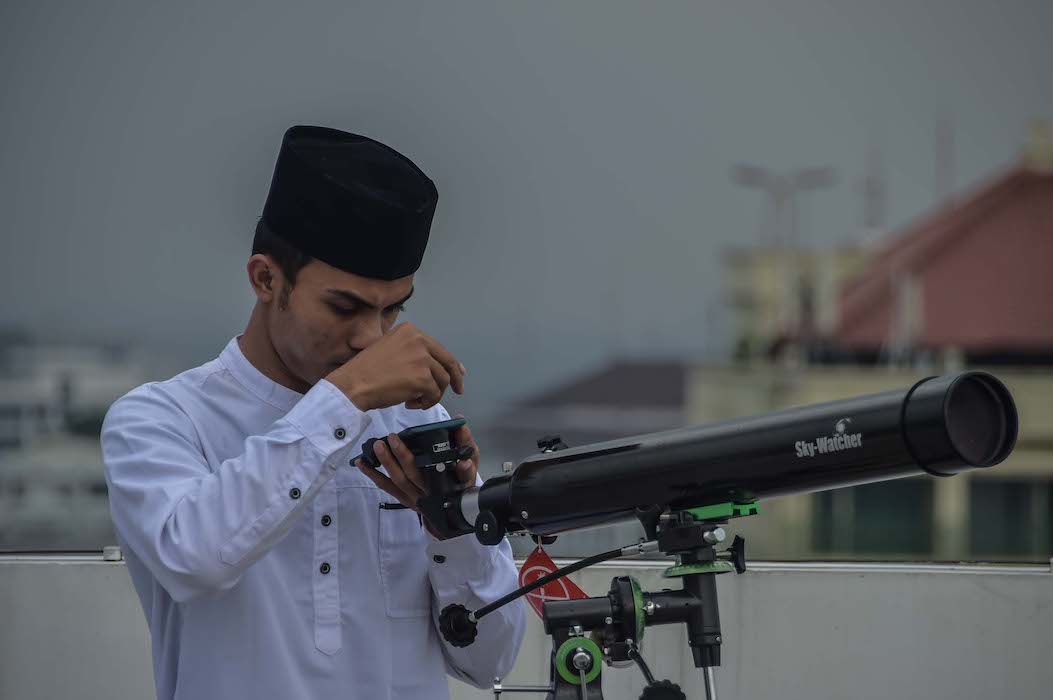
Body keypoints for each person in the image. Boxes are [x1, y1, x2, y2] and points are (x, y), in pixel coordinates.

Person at [101, 125, 526, 700]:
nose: (370, 338)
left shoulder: (415, 430)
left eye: (391, 311)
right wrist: (345, 400)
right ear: (265, 278)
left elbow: (491, 661)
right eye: (345, 307)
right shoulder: (161, 419)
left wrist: (451, 528)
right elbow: (192, 558)